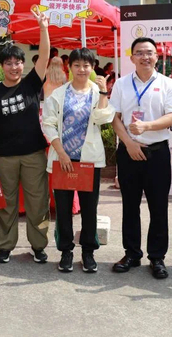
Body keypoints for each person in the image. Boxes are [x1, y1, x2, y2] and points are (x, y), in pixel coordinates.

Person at [110, 37, 172, 279]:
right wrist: (129, 143)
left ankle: (157, 257)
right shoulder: (121, 84)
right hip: (128, 152)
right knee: (130, 206)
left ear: (157, 56)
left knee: (158, 207)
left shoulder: (167, 84)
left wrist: (147, 126)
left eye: (149, 52)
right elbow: (114, 117)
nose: (145, 57)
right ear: (132, 58)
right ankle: (131, 254)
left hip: (157, 153)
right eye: (140, 52)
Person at [0, 8, 51, 265]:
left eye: (18, 62)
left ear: (24, 64)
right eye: (9, 63)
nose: (14, 67)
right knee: (6, 204)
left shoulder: (31, 83)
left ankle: (39, 245)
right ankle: (6, 245)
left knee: (38, 203)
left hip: (34, 154)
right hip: (3, 157)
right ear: (2, 66)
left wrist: (43, 28)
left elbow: (44, 56)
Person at [42, 48, 115, 273]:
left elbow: (103, 118)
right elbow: (48, 124)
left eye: (86, 65)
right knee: (63, 210)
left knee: (89, 209)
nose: (82, 69)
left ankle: (88, 252)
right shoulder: (58, 94)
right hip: (63, 159)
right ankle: (66, 251)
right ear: (69, 67)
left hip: (88, 161)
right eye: (77, 65)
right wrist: (61, 153)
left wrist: (103, 93)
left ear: (92, 67)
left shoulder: (96, 91)